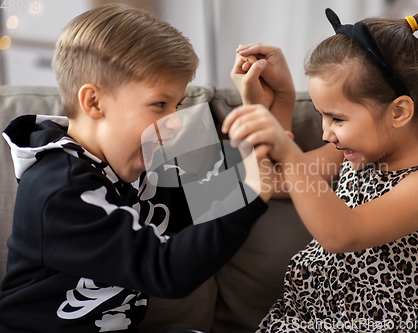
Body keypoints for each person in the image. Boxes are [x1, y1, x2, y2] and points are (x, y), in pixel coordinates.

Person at [0, 4, 276, 332]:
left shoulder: (135, 170)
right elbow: (165, 271)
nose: (173, 123)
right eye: (159, 104)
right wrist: (252, 193)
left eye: (176, 106)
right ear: (94, 102)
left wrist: (256, 116)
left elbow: (198, 206)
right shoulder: (58, 191)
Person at [223, 8, 418, 333]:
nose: (325, 133)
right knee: (198, 188)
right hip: (302, 320)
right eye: (321, 116)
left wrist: (286, 148)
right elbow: (270, 180)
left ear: (399, 112)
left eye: (337, 119)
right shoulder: (351, 154)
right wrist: (268, 104)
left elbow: (343, 234)